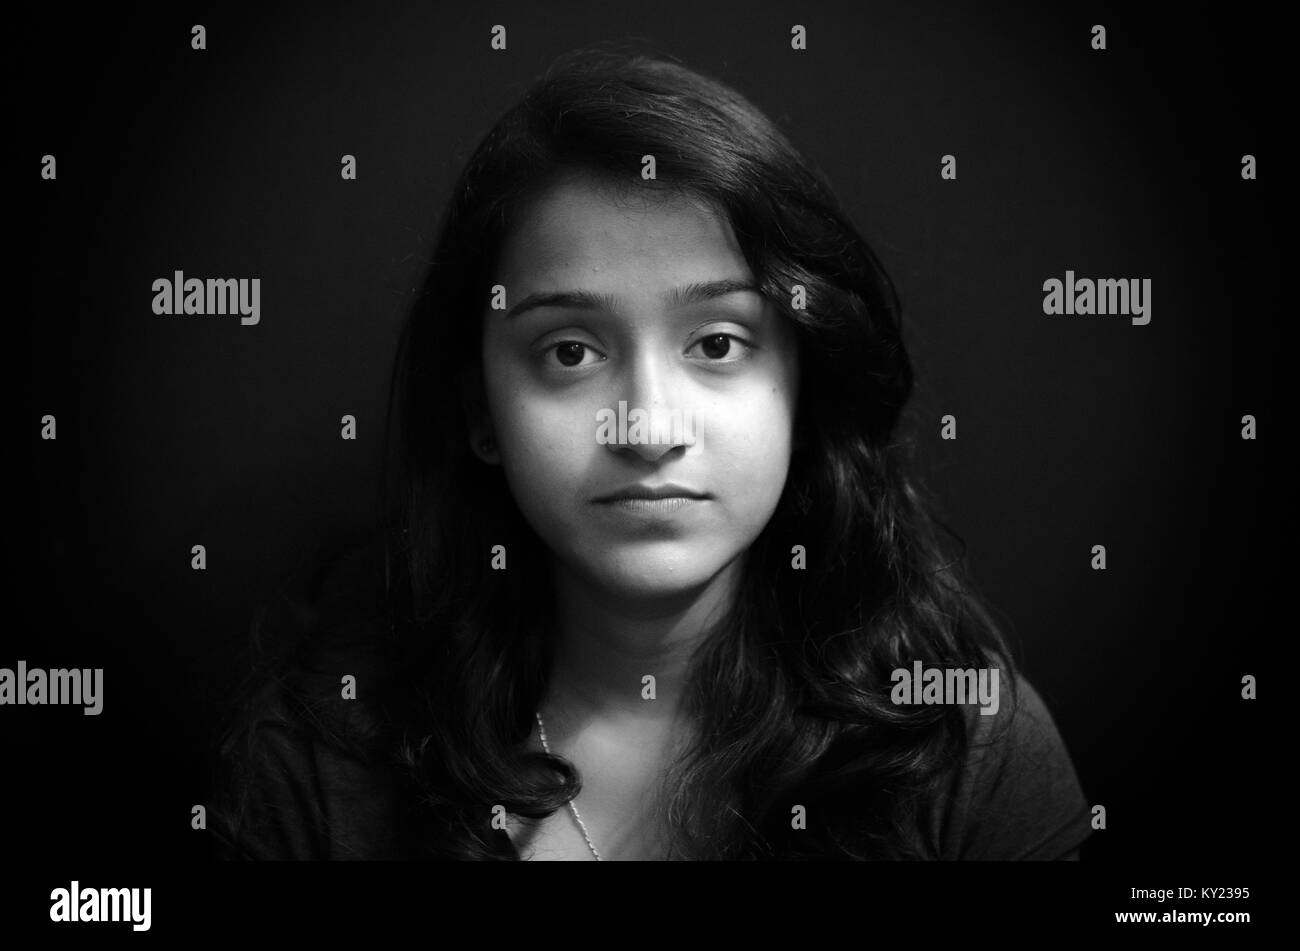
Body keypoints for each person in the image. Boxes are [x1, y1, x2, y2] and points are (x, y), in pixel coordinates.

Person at [208, 46, 1093, 861]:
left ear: (804, 383)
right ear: (482, 409)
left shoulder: (966, 748)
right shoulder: (325, 768)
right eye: (570, 352)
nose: (646, 427)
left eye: (716, 343)